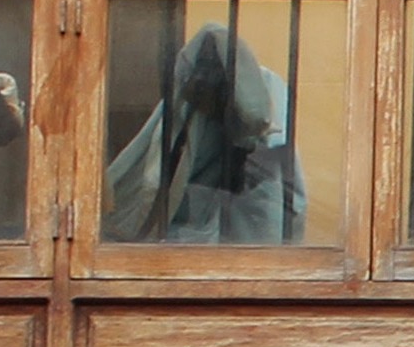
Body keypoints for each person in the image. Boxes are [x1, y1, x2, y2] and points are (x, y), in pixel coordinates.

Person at [105, 23, 304, 245]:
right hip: (193, 224)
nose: (201, 82)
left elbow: (271, 163)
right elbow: (154, 173)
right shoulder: (186, 102)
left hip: (255, 222)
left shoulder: (265, 90)